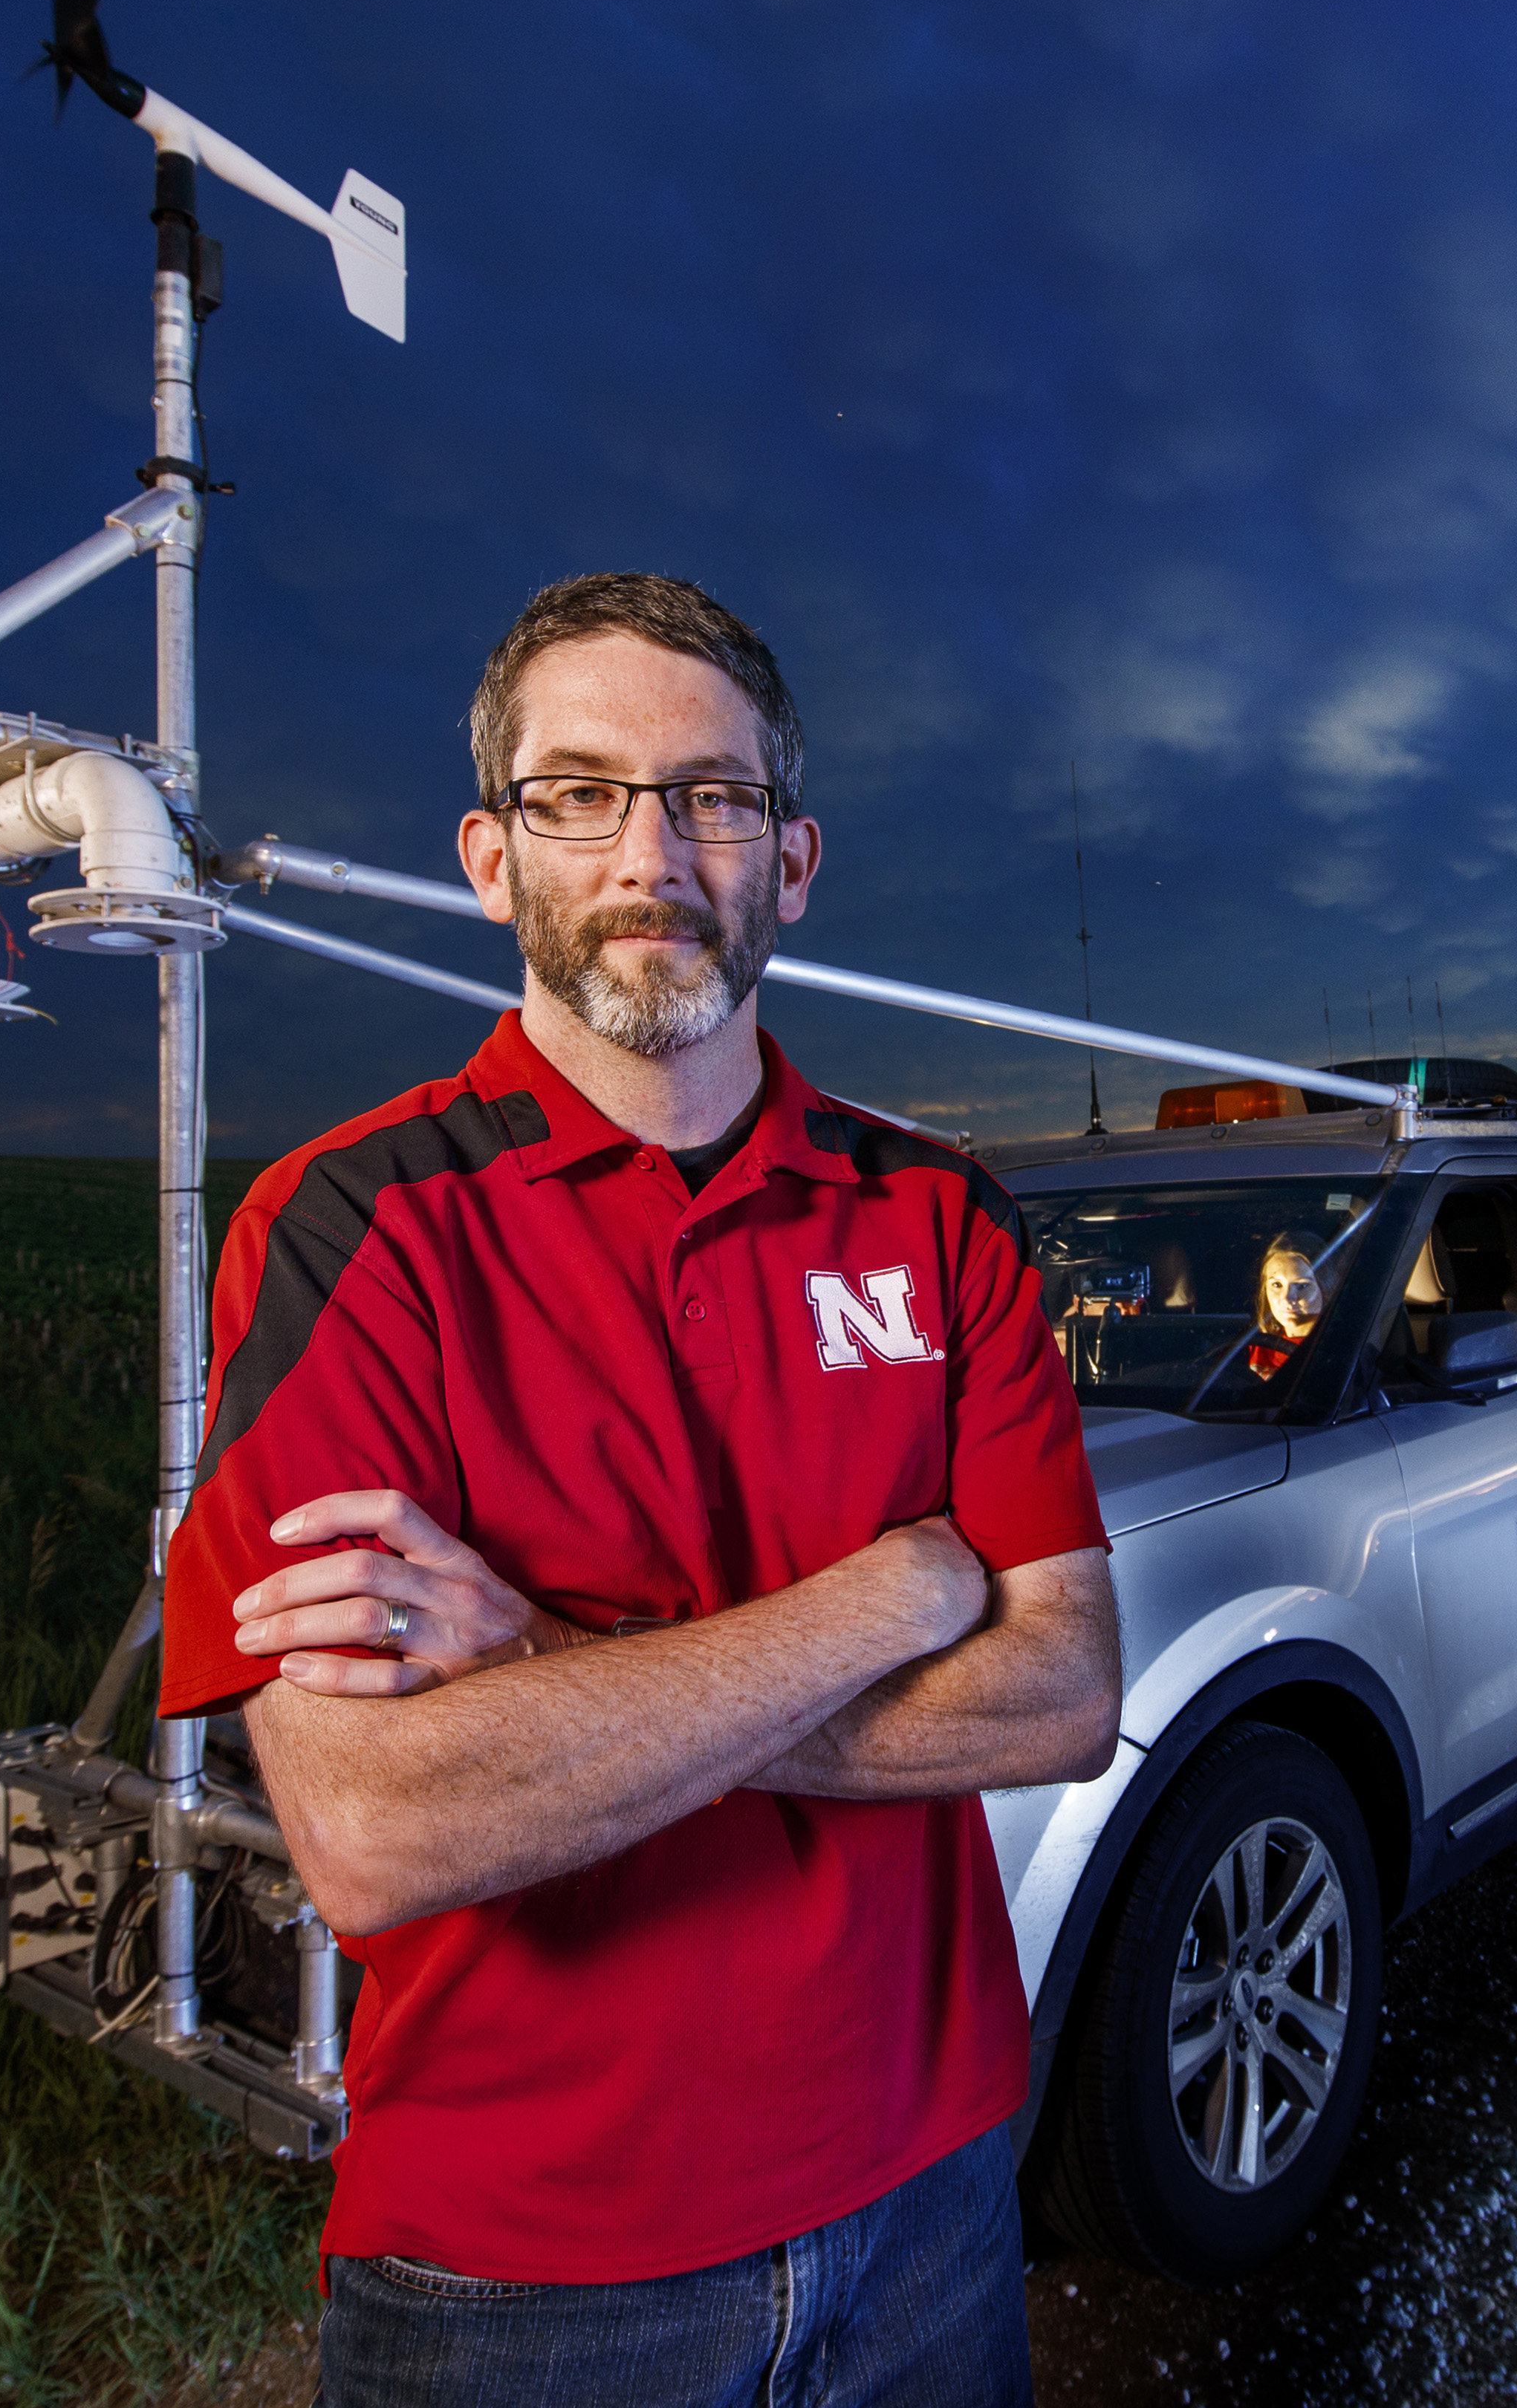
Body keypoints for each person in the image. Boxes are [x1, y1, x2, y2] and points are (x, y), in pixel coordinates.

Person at [157, 571, 1125, 2406]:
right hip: (526, 2267)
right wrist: (889, 1596)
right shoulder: (359, 1228)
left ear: (795, 859)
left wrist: (534, 1662)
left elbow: (1066, 1697)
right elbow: (375, 1831)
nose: (651, 852)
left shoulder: (935, 1218)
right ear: (488, 853)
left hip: (926, 2192)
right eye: (579, 792)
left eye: (714, 797)